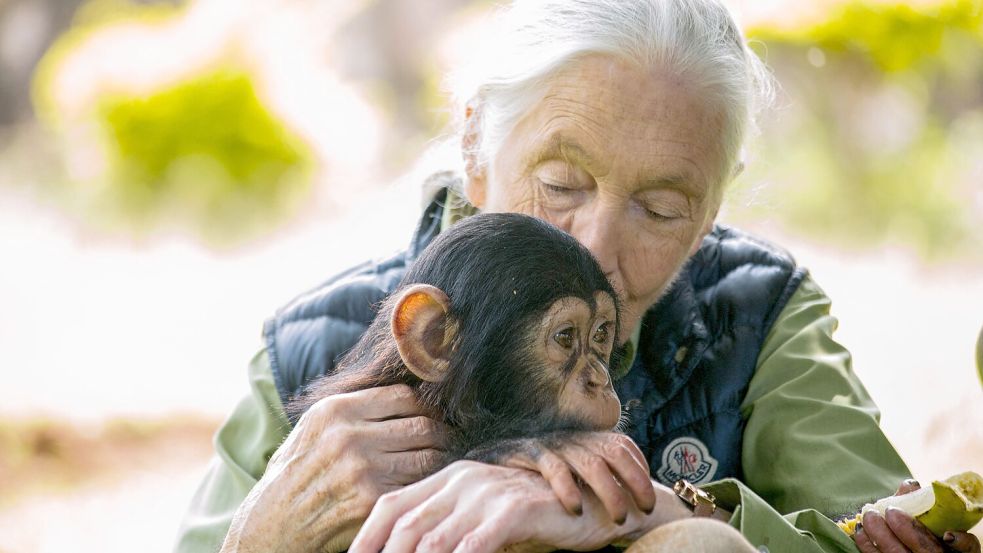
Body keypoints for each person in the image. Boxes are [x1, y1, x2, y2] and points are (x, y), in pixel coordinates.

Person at [174, 1, 982, 552]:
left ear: (712, 212)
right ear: (475, 150)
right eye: (560, 185)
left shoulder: (755, 311)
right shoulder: (314, 343)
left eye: (662, 207)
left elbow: (886, 533)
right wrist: (265, 530)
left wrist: (660, 511)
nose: (595, 248)